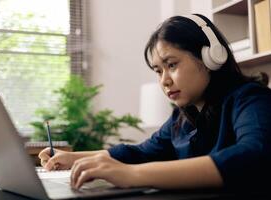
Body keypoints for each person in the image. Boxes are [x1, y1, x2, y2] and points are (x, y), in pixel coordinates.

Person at [39, 14, 271, 191]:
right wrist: (73, 158)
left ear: (211, 56)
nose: (164, 81)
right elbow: (139, 153)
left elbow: (254, 155)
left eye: (172, 65)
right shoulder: (182, 118)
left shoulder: (251, 99)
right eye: (158, 71)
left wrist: (132, 175)